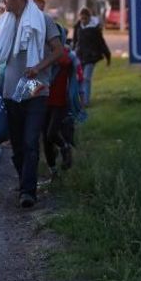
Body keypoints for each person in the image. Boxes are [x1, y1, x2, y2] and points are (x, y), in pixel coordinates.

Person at [0, 0, 64, 208]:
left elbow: (58, 51)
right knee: (17, 144)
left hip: (36, 88)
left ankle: (28, 191)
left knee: (30, 141)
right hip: (10, 90)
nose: (3, 0)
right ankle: (24, 179)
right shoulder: (3, 22)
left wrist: (38, 67)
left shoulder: (42, 20)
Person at [42, 24, 87, 177]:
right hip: (42, 101)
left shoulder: (69, 56)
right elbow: (33, 77)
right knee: (46, 140)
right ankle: (53, 172)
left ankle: (65, 146)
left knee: (51, 133)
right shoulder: (40, 55)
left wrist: (81, 97)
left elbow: (80, 78)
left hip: (61, 101)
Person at [72, 7, 111, 106]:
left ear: (89, 18)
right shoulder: (77, 27)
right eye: (82, 19)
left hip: (91, 57)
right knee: (79, 78)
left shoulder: (95, 29)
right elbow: (75, 41)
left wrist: (107, 55)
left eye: (85, 18)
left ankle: (85, 101)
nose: (83, 21)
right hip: (80, 56)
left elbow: (101, 43)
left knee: (86, 78)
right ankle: (80, 99)